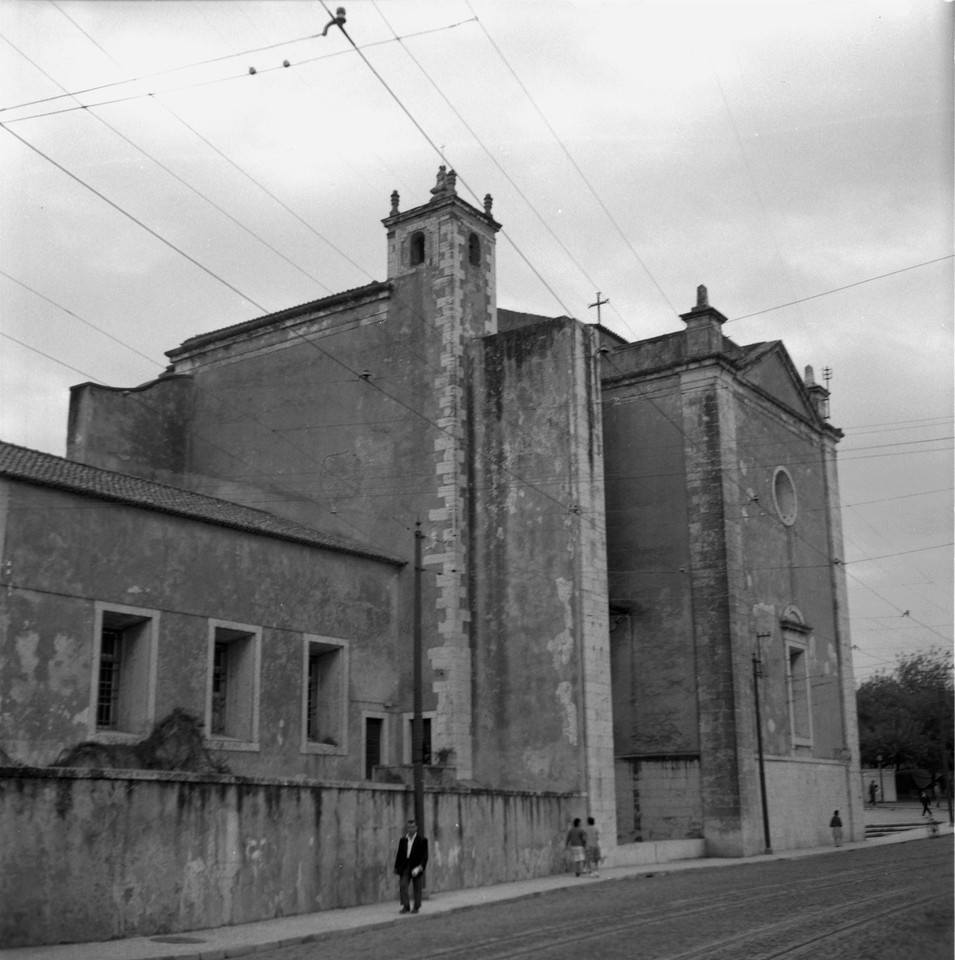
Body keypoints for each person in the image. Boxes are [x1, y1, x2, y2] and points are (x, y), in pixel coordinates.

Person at [394, 817, 428, 914]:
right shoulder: (403, 840)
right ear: (407, 828)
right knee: (403, 884)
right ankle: (406, 905)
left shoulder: (422, 840)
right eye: (409, 827)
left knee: (417, 887)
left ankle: (416, 907)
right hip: (405, 866)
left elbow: (425, 856)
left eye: (413, 827)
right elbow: (399, 854)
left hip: (416, 866)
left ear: (416, 828)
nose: (411, 829)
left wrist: (420, 867)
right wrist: (397, 867)